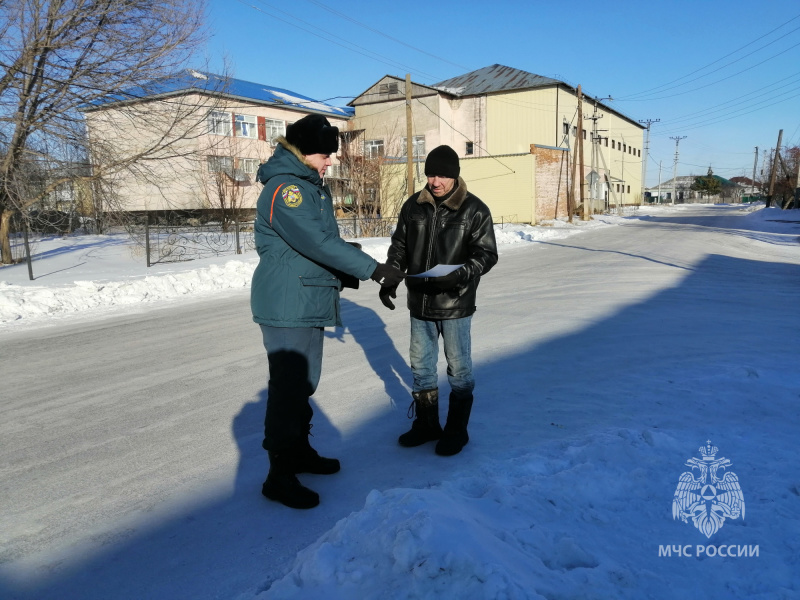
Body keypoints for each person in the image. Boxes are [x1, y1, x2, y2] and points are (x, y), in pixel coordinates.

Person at [251, 113, 404, 509]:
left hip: (305, 300)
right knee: (288, 390)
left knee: (303, 386)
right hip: (288, 304)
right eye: (325, 153)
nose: (331, 160)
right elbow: (317, 243)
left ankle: (298, 453)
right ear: (303, 150)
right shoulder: (287, 190)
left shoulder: (307, 186)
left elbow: (321, 244)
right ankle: (278, 474)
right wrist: (372, 270)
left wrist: (361, 265)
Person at [380, 145, 498, 456]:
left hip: (455, 304)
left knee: (459, 370)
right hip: (419, 303)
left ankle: (457, 431)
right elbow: (400, 246)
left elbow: (486, 255)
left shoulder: (474, 209)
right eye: (431, 174)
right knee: (421, 367)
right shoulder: (413, 206)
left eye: (442, 175)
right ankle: (427, 424)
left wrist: (458, 275)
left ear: (455, 175)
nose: (435, 181)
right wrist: (391, 276)